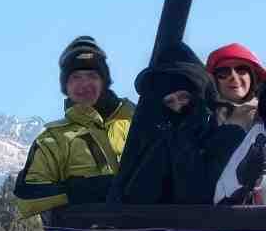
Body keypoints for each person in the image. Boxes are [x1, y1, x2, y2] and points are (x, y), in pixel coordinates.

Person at [14, 36, 136, 220]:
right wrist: (82, 190)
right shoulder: (52, 140)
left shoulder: (136, 122)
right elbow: (26, 198)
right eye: (75, 77)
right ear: (66, 86)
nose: (84, 84)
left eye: (92, 76)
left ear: (104, 81)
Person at [115, 44, 245, 205]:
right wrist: (173, 138)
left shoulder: (229, 137)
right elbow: (136, 197)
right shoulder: (158, 141)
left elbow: (199, 196)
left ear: (200, 96)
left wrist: (185, 135)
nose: (178, 106)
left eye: (183, 97)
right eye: (169, 101)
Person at [206, 43, 265, 130]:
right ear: (214, 81)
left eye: (242, 70)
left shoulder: (260, 115)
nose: (233, 76)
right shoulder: (204, 114)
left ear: (255, 78)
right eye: (224, 72)